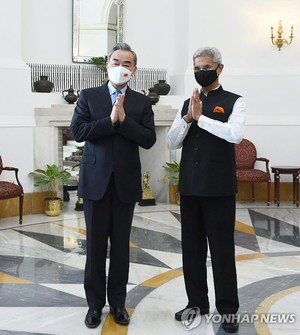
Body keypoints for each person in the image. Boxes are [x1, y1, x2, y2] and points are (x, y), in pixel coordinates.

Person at [70, 42, 156, 328]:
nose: (121, 67)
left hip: (125, 184)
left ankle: (118, 304)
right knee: (94, 248)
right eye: (116, 61)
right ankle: (94, 306)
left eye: (127, 63)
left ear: (135, 69)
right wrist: (109, 121)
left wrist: (125, 120)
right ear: (107, 66)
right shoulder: (89, 96)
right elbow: (79, 131)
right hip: (95, 183)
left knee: (120, 248)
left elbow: (148, 139)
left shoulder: (142, 102)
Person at [167, 46, 245, 333]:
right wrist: (188, 118)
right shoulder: (189, 102)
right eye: (197, 68)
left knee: (222, 252)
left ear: (220, 68)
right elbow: (172, 142)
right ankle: (196, 303)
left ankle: (228, 311)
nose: (202, 72)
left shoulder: (235, 101)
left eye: (207, 67)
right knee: (192, 251)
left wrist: (203, 118)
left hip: (219, 189)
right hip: (190, 188)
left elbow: (234, 134)